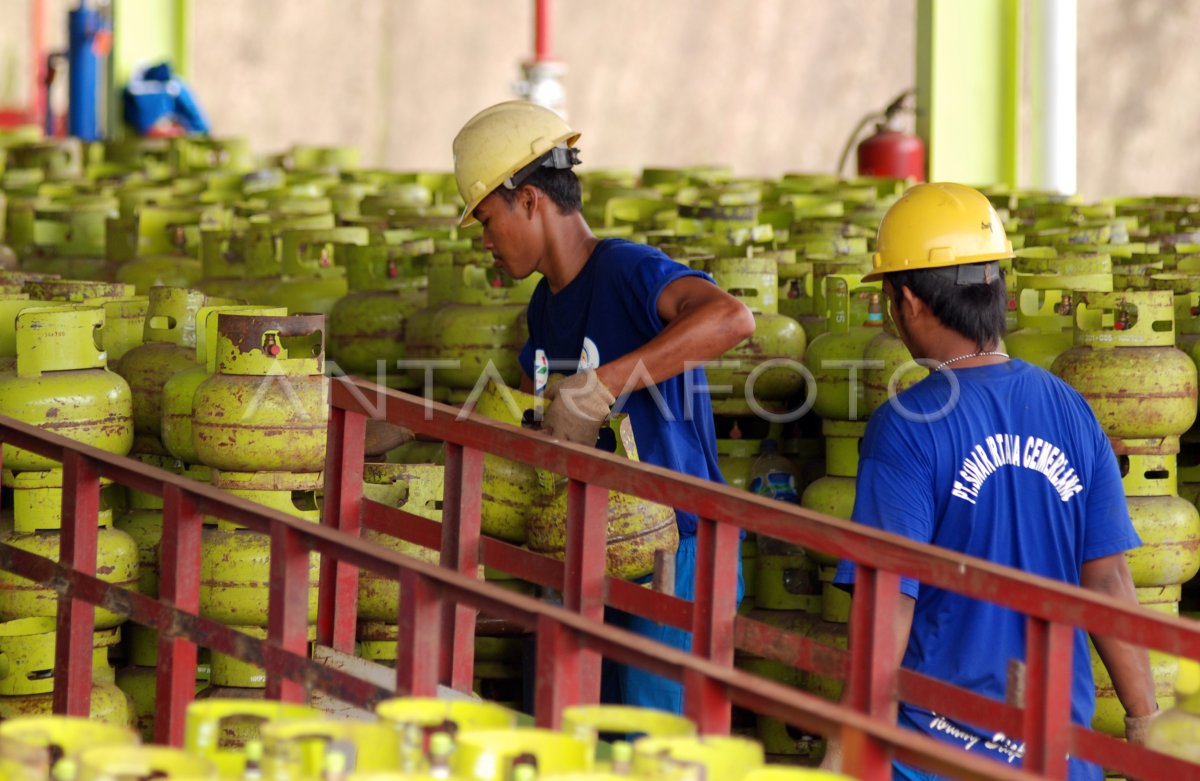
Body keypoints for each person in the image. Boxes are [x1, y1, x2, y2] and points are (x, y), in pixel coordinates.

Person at [828, 182, 1157, 780]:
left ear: (909, 301)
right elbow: (1109, 580)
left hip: (937, 759)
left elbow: (887, 605)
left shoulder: (905, 427)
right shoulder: (1070, 408)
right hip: (1057, 754)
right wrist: (1145, 722)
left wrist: (845, 747)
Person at [451, 101, 755, 712]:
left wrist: (604, 384)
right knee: (579, 737)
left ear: (531, 199)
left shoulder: (625, 269)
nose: (485, 241)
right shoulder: (544, 307)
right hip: (593, 548)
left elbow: (731, 318)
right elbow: (537, 411)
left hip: (677, 550)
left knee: (654, 751)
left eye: (487, 220)